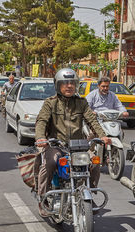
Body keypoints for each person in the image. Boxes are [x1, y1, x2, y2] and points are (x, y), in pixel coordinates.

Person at [35, 68, 111, 217]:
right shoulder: (50, 103)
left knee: (95, 162)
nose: (69, 86)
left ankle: (88, 192)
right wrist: (40, 138)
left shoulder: (81, 103)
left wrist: (103, 136)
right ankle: (42, 199)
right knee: (49, 163)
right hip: (56, 145)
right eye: (65, 83)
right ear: (58, 85)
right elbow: (42, 121)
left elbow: (92, 121)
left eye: (72, 83)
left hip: (78, 146)